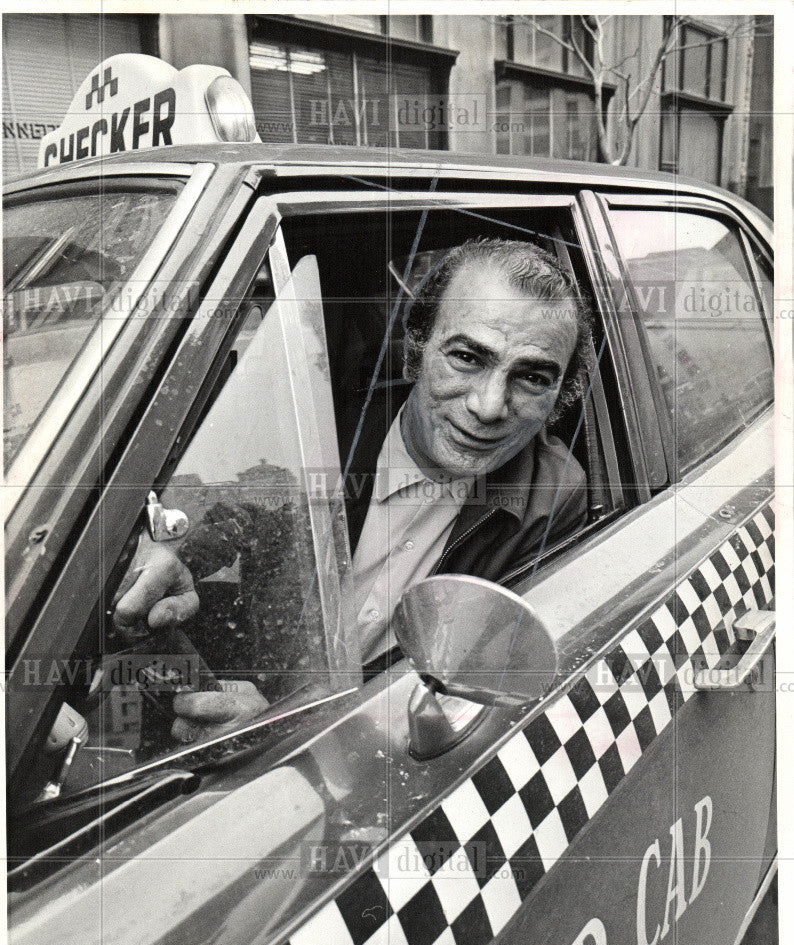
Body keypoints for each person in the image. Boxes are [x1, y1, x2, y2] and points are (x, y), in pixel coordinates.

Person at [113, 237, 589, 740]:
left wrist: (288, 728)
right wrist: (168, 558)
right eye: (468, 357)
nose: (490, 406)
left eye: (532, 377)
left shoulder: (553, 497)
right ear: (417, 348)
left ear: (559, 397)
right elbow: (222, 516)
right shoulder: (312, 432)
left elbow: (477, 695)